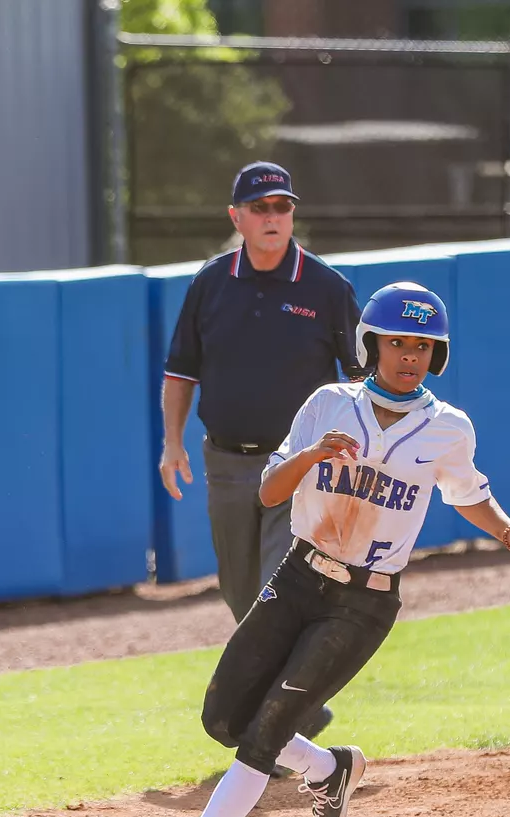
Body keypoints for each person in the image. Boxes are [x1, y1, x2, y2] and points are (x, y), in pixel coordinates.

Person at [125, 282, 510, 817]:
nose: (408, 355)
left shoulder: (447, 428)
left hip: (364, 602)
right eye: (396, 342)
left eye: (422, 345)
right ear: (371, 345)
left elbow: (468, 494)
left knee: (268, 726)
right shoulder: (328, 403)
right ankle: (331, 770)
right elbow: (271, 493)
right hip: (299, 576)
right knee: (223, 718)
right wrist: (311, 454)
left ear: (436, 356)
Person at [160, 161, 362, 746]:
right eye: (261, 208)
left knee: (277, 588)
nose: (273, 217)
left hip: (297, 465)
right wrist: (173, 443)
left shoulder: (326, 287)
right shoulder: (211, 282)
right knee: (240, 590)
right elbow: (180, 372)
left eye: (282, 207)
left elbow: (359, 379)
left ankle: (279, 721)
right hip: (225, 460)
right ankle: (302, 706)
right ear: (237, 218)